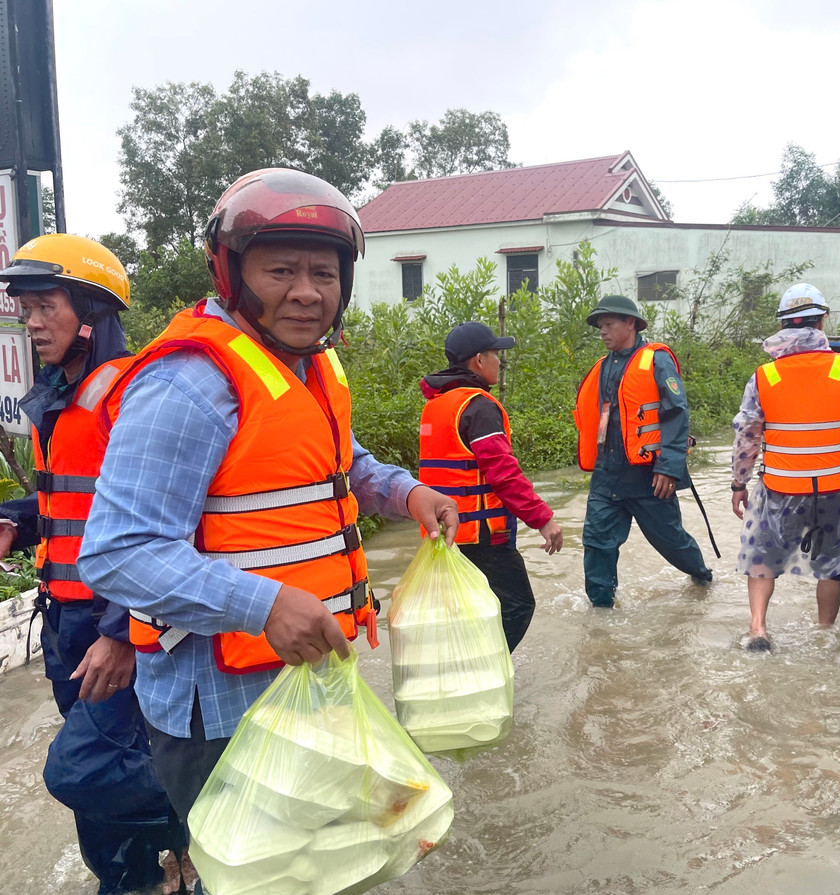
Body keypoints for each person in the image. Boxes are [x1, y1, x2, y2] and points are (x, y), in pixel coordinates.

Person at [76, 169, 458, 893]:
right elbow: (118, 552)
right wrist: (264, 603)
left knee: (324, 871)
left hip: (307, 677)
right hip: (222, 709)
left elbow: (341, 461)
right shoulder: (189, 382)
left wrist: (408, 492)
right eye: (281, 270)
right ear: (231, 274)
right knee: (258, 880)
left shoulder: (310, 364)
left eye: (324, 273)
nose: (307, 292)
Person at [0, 234, 188, 894]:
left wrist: (123, 632)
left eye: (45, 306)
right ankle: (136, 877)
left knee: (81, 770)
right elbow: (76, 500)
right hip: (65, 623)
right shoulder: (60, 394)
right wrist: (17, 520)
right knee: (99, 785)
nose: (32, 322)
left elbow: (165, 519)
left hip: (116, 622)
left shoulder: (135, 393)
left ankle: (197, 827)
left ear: (91, 311)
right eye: (25, 308)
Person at [733, 283, 840, 651]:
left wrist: (738, 483)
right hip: (837, 487)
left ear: (782, 324)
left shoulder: (765, 376)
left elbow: (747, 436)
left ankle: (758, 629)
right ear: (823, 321)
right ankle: (824, 634)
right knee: (833, 565)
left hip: (780, 487)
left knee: (761, 558)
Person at [419, 321, 563, 652]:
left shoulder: (437, 405)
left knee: (467, 613)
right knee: (517, 606)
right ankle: (482, 670)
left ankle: (463, 666)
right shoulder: (479, 407)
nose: (501, 361)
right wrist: (542, 519)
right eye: (496, 354)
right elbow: (504, 474)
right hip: (482, 537)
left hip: (443, 534)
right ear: (479, 360)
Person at [574, 294, 712, 608]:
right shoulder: (603, 366)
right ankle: (601, 613)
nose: (603, 332)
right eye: (600, 326)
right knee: (596, 543)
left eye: (609, 324)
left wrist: (669, 467)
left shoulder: (656, 360)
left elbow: (676, 413)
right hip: (607, 475)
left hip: (649, 476)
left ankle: (702, 578)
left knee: (671, 541)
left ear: (631, 323)